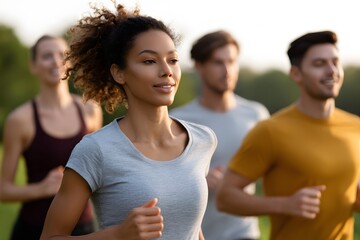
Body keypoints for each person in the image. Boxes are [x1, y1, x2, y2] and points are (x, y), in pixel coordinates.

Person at [39, 2, 217, 240]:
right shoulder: (96, 150)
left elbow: (192, 230)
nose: (167, 71)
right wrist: (118, 235)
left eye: (172, 60)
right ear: (118, 73)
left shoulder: (202, 141)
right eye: (149, 61)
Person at [216, 30, 360, 240]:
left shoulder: (355, 127)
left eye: (335, 62)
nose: (331, 71)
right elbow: (225, 197)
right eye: (319, 64)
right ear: (296, 74)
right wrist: (285, 204)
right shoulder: (270, 131)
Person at [0, 35, 103, 240]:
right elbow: (3, 190)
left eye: (62, 55)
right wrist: (42, 188)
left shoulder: (91, 110)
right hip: (32, 230)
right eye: (47, 56)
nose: (56, 61)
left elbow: (98, 171)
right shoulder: (20, 120)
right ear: (33, 66)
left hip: (83, 229)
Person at [170, 30, 269, 240]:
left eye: (232, 61)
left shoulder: (256, 115)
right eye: (217, 62)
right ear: (199, 66)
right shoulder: (177, 120)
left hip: (245, 233)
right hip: (196, 234)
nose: (227, 70)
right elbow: (162, 187)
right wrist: (197, 183)